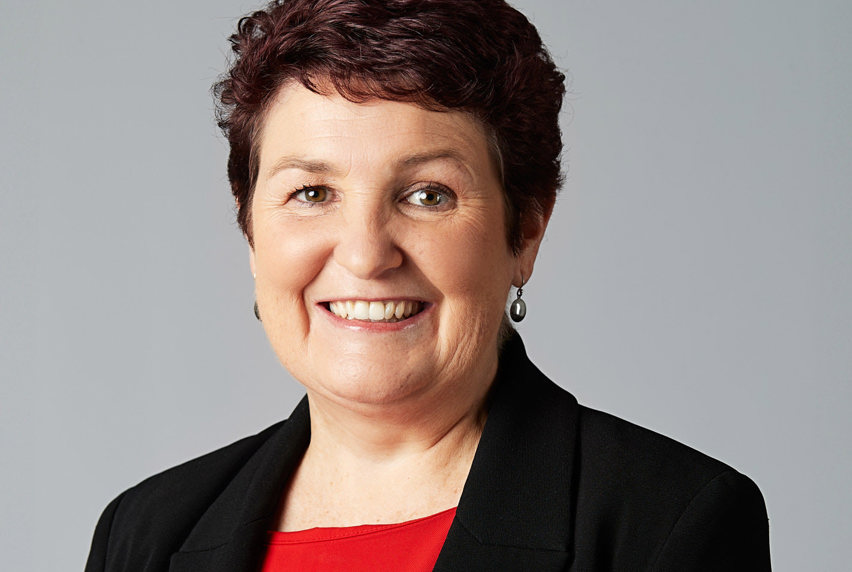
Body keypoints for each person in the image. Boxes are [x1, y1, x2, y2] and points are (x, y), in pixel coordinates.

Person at [85, 0, 771, 570]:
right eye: (313, 191)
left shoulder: (667, 524)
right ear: (249, 229)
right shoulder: (146, 534)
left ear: (525, 231)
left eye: (426, 195)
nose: (364, 254)